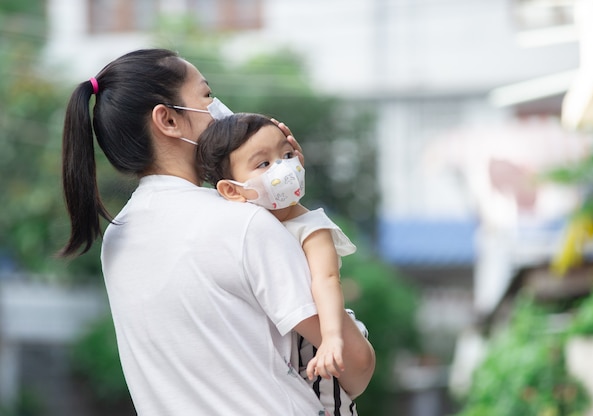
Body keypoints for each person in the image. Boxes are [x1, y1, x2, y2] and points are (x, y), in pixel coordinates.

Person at [59, 48, 375, 415]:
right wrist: (287, 204)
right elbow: (355, 365)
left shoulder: (117, 239)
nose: (219, 108)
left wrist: (270, 187)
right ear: (168, 120)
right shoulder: (243, 225)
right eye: (207, 95)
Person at [196, 113, 369, 415]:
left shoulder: (311, 226)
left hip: (320, 343)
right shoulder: (246, 224)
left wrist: (330, 338)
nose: (282, 168)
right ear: (231, 190)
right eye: (263, 164)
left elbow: (327, 279)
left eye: (287, 156)